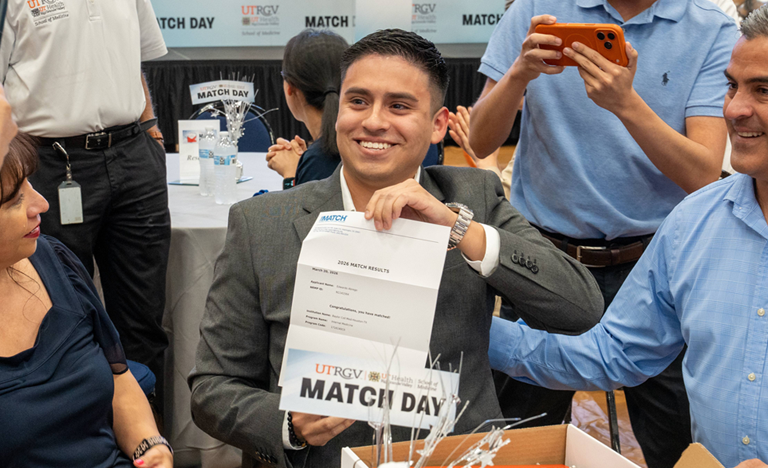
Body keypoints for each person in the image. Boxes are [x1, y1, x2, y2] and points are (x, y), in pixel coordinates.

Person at [189, 29, 604, 468]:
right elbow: (213, 387)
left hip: (455, 456)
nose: (373, 121)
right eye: (358, 101)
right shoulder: (262, 224)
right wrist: (288, 425)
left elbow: (580, 308)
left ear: (438, 125)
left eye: (400, 106)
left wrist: (459, 227)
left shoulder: (473, 199)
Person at [490, 9, 768, 468]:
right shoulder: (693, 225)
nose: (735, 109)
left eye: (763, 90)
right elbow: (612, 353)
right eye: (731, 86)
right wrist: (464, 328)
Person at [0, 0, 171, 411]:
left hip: (133, 153)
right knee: (58, 313)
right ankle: (73, 440)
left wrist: (151, 129)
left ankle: (149, 443)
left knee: (144, 318)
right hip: (48, 162)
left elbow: (135, 61)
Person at [0, 134, 173, 468]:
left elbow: (119, 377)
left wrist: (150, 446)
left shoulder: (54, 261)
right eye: (14, 200)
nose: (41, 205)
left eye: (30, 186)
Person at [266, 29, 349, 189]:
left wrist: (291, 175)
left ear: (290, 87)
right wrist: (303, 164)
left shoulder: (318, 159)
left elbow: (300, 214)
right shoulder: (350, 144)